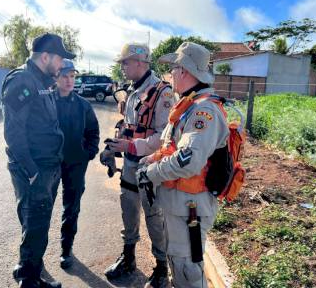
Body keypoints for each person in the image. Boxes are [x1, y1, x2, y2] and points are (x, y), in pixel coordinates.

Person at [136, 42, 230, 288]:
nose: (170, 74)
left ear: (185, 71)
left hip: (190, 209)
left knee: (188, 269)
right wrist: (150, 159)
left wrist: (151, 172)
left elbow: (188, 160)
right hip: (179, 205)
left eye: (173, 69)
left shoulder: (203, 111)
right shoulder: (188, 106)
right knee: (178, 263)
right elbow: (171, 147)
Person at [1, 33, 75, 288]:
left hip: (47, 167)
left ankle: (30, 268)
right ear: (45, 56)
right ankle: (29, 280)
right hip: (35, 170)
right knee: (35, 224)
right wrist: (33, 171)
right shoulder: (22, 80)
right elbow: (13, 132)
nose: (61, 65)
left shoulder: (42, 80)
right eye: (59, 59)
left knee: (37, 224)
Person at [103, 43, 175, 287]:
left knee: (154, 217)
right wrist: (112, 146)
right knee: (129, 210)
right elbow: (127, 124)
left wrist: (130, 147)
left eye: (125, 62)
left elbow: (163, 137)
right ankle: (129, 257)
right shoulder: (133, 91)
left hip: (151, 168)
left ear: (140, 63)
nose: (122, 67)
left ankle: (161, 268)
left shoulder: (163, 93)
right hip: (131, 166)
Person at [54, 59, 100, 269]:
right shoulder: (46, 102)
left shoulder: (83, 105)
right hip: (50, 165)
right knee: (42, 208)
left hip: (75, 165)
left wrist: (88, 153)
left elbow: (93, 132)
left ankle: (66, 249)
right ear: (55, 77)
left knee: (71, 208)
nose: (69, 80)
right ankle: (34, 255)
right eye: (65, 75)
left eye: (72, 76)